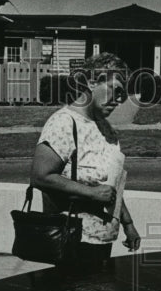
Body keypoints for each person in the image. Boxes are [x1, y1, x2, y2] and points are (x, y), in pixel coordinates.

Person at [30, 53, 140, 270]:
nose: (119, 100)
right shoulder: (63, 123)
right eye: (116, 90)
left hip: (102, 241)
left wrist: (128, 223)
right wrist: (91, 193)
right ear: (92, 82)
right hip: (71, 241)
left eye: (123, 94)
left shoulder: (106, 129)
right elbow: (40, 176)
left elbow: (111, 186)